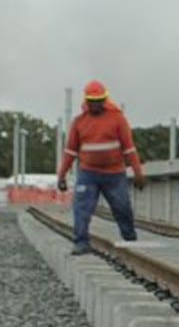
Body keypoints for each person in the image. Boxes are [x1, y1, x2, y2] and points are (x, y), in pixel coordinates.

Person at [56, 80, 146, 255]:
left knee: (122, 208)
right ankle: (81, 242)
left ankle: (130, 239)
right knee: (82, 207)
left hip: (114, 174)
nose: (95, 104)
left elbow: (129, 148)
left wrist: (137, 172)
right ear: (86, 101)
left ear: (105, 99)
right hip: (88, 173)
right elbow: (70, 151)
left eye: (99, 100)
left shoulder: (117, 119)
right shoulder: (79, 122)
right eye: (92, 101)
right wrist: (61, 176)